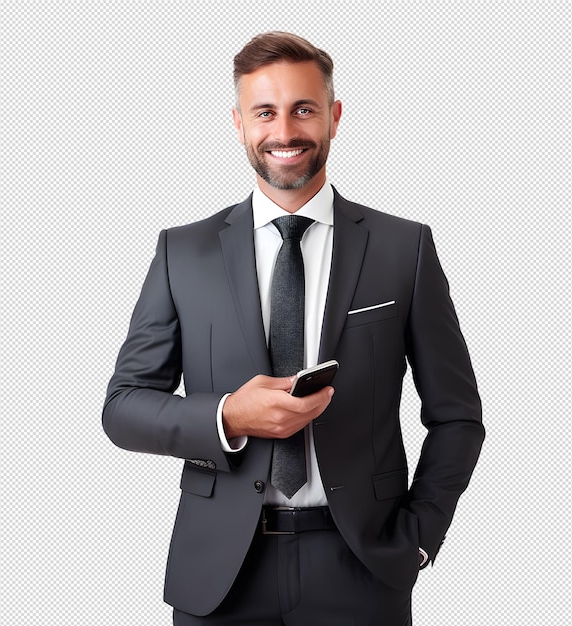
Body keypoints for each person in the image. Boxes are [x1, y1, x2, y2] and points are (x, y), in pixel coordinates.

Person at [103, 31, 485, 625]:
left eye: (304, 109)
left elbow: (458, 416)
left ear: (334, 115)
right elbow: (123, 407)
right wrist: (226, 416)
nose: (285, 131)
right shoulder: (184, 252)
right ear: (238, 123)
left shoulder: (402, 247)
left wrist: (419, 538)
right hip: (221, 574)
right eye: (265, 112)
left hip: (362, 566)